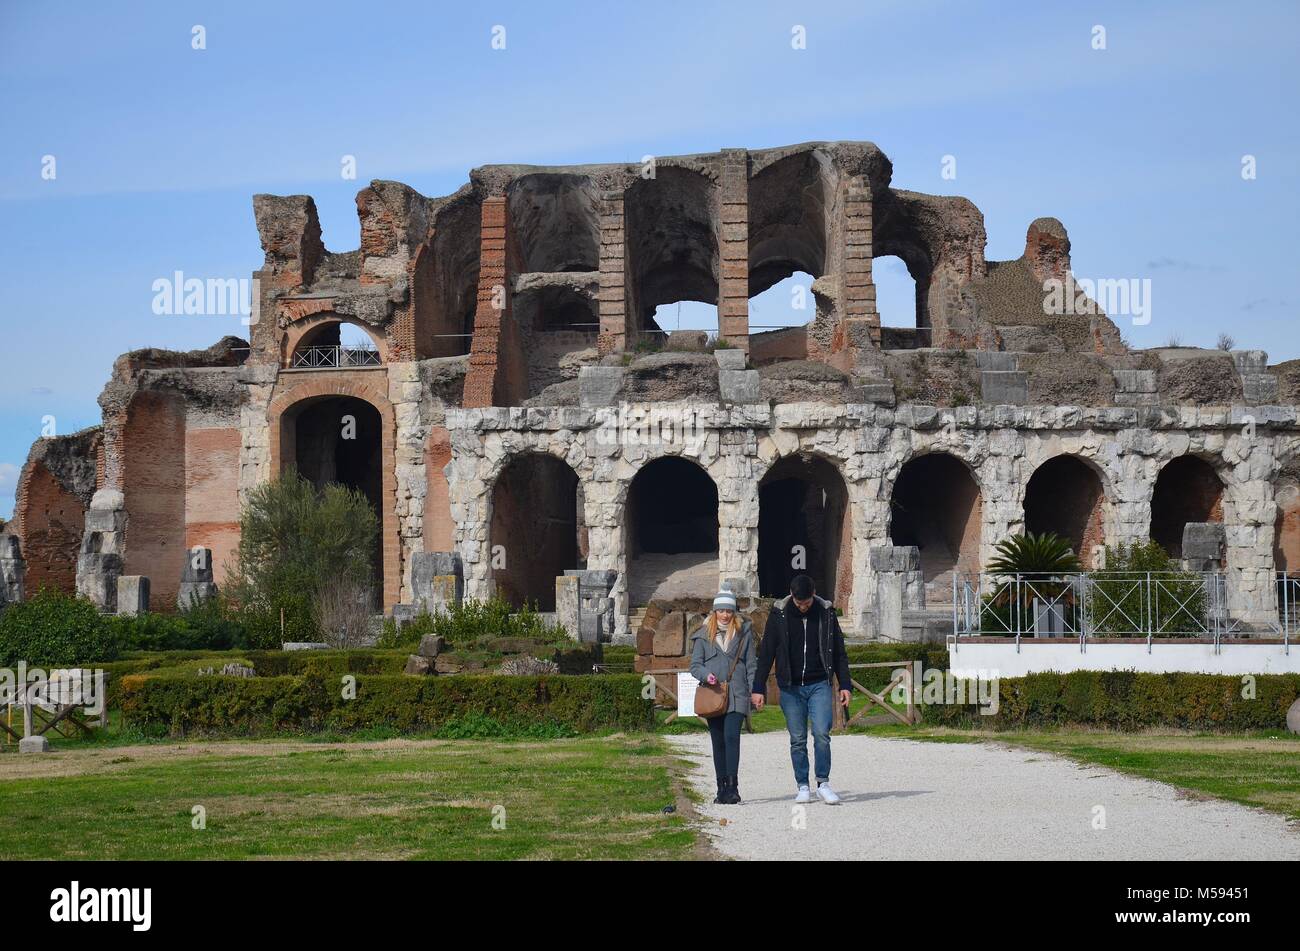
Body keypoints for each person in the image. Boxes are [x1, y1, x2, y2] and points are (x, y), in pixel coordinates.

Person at [750, 574, 851, 804]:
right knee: (797, 738)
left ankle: (823, 782)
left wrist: (844, 684)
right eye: (799, 603)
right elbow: (766, 653)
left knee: (821, 734)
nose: (803, 607)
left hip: (819, 684)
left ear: (813, 595)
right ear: (792, 596)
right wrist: (758, 688)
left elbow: (839, 652)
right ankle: (802, 785)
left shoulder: (826, 612)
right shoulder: (779, 614)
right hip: (790, 686)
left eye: (806, 603)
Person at [689, 588, 757, 805]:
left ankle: (733, 788)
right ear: (715, 612)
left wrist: (754, 691)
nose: (725, 615)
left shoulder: (744, 633)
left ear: (734, 612)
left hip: (737, 694)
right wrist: (705, 674)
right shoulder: (702, 636)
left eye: (729, 611)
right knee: (718, 742)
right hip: (713, 694)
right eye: (721, 611)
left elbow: (752, 666)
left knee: (731, 738)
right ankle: (721, 789)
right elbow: (695, 665)